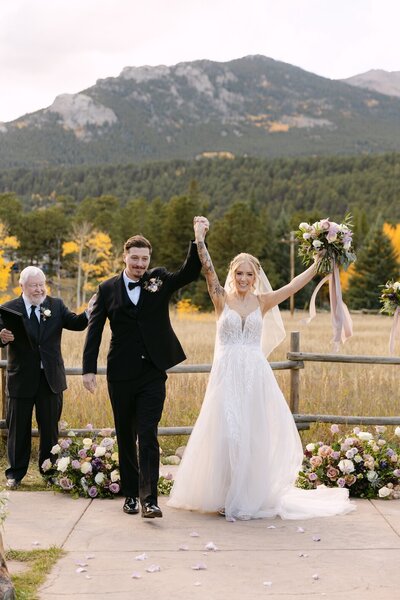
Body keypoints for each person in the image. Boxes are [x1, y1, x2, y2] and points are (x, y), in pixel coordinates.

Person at [167, 218, 355, 521]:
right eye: (239, 273)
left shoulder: (263, 301)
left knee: (251, 436)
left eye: (249, 274)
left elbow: (294, 285)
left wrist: (320, 261)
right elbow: (207, 269)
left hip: (254, 376)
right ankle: (225, 493)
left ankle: (246, 496)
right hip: (227, 376)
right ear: (232, 275)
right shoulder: (220, 299)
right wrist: (200, 239)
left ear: (256, 277)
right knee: (227, 434)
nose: (243, 278)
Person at [82, 225, 206, 518]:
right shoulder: (107, 289)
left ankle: (150, 499)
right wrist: (89, 370)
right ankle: (130, 495)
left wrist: (198, 240)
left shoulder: (159, 280)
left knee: (148, 433)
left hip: (152, 372)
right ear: (124, 257)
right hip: (120, 373)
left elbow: (188, 273)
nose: (140, 265)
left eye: (144, 259)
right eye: (135, 258)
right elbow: (94, 331)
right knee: (126, 435)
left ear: (150, 260)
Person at [0, 266, 93, 489]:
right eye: (34, 285)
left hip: (50, 379)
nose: (39, 289)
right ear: (22, 286)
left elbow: (76, 323)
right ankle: (15, 474)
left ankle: (49, 471)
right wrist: (1, 337)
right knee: (18, 429)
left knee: (49, 428)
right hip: (20, 379)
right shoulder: (8, 309)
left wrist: (90, 312)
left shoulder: (55, 305)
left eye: (42, 284)